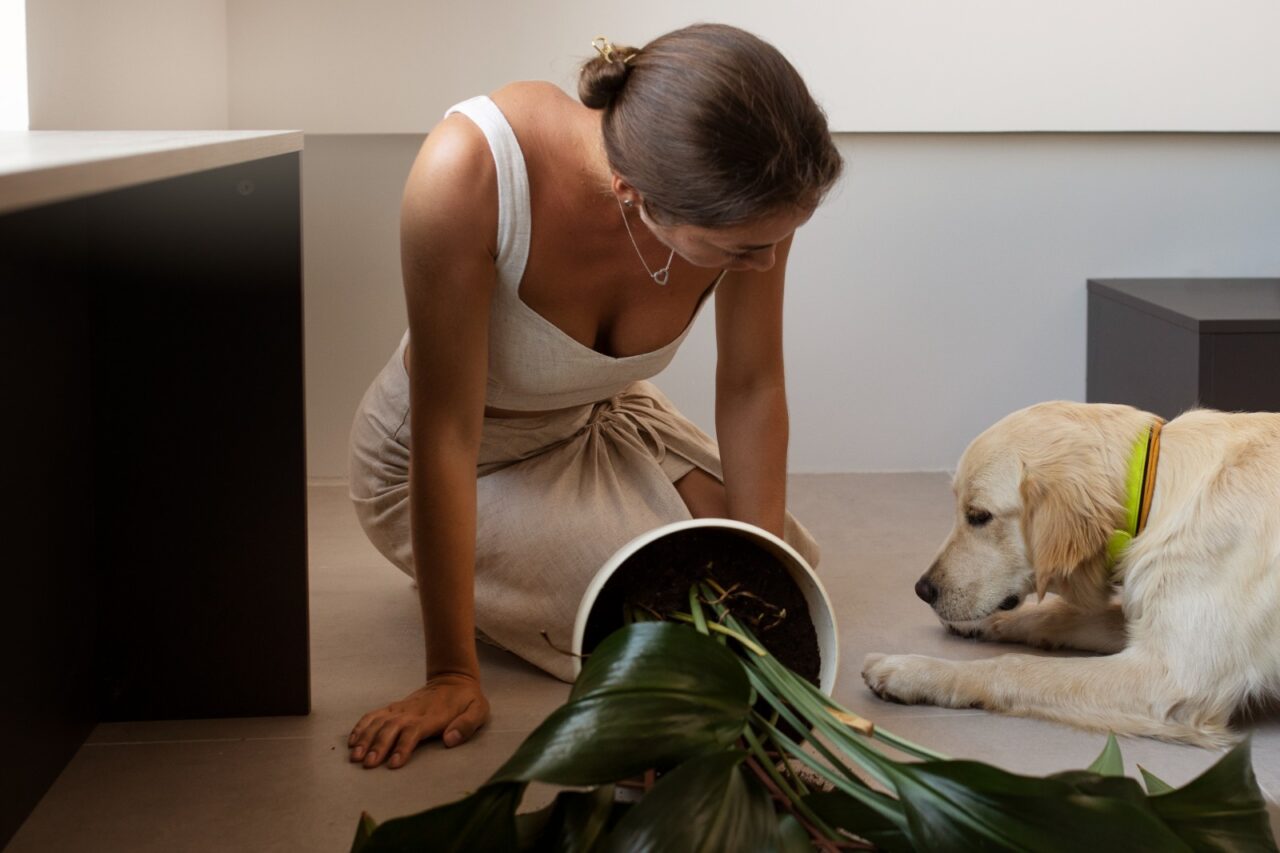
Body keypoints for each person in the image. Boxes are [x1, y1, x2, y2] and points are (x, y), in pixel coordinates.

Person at [346, 22, 843, 769]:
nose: (766, 262)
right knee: (667, 627)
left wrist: (758, 566)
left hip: (598, 421)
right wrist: (450, 672)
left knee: (781, 576)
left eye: (779, 239)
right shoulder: (468, 171)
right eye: (744, 250)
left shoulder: (753, 195)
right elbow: (444, 433)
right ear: (631, 194)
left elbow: (751, 384)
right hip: (460, 457)